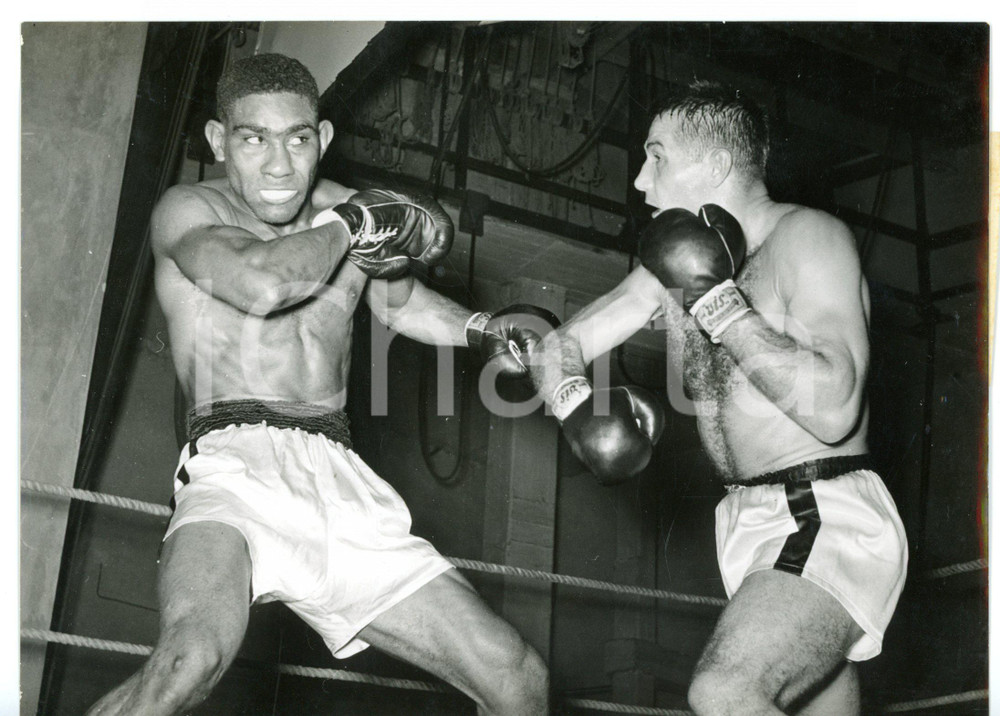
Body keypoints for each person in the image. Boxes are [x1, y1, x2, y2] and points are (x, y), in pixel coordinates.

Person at [85, 53, 551, 716]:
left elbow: (402, 306)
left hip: (337, 471)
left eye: (298, 139)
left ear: (323, 138)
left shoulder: (350, 213)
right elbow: (263, 282)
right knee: (190, 661)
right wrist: (353, 222)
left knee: (515, 673)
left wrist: (483, 329)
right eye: (254, 139)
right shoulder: (189, 209)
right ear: (219, 140)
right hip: (233, 466)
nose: (279, 166)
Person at [527, 81, 908, 715]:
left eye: (657, 157)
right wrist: (574, 404)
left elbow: (836, 409)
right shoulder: (669, 261)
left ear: (717, 164)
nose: (640, 181)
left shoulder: (808, 237)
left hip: (820, 510)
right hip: (745, 520)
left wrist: (716, 301)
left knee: (725, 690)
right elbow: (558, 347)